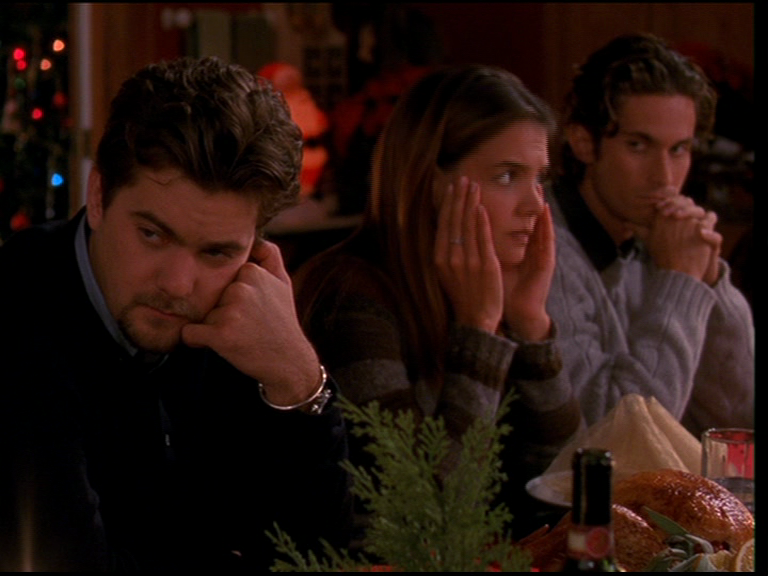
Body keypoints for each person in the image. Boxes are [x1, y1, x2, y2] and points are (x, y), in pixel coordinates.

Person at [0, 57, 352, 572]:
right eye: (152, 234)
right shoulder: (17, 313)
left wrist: (297, 378)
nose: (179, 285)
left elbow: (323, 556)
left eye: (216, 252)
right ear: (98, 197)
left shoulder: (244, 319)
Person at [293, 64, 582, 540]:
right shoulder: (349, 298)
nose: (534, 204)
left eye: (539, 179)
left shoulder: (481, 288)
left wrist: (530, 323)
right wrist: (478, 331)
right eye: (507, 176)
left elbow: (560, 475)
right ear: (431, 182)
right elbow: (424, 506)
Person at [545, 33, 754, 439]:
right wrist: (681, 282)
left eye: (679, 150)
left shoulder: (662, 238)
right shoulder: (546, 248)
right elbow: (617, 437)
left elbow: (739, 421)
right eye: (639, 146)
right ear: (584, 142)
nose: (664, 177)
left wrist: (710, 279)